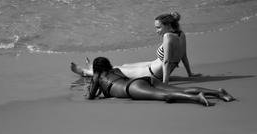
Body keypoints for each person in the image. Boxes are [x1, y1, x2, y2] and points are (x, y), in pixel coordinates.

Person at [71, 12, 201, 84]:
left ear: (168, 25)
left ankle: (86, 72)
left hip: (153, 73)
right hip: (153, 65)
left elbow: (166, 62)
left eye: (158, 27)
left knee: (116, 71)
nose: (156, 31)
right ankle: (92, 69)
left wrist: (165, 83)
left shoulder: (168, 36)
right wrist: (190, 74)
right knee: (124, 65)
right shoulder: (181, 34)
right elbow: (183, 55)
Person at [76, 57, 234, 106]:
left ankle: (197, 98)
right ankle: (218, 92)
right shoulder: (115, 70)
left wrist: (89, 90)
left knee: (166, 96)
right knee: (173, 90)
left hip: (132, 88)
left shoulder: (97, 76)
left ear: (96, 69)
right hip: (143, 80)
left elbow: (91, 97)